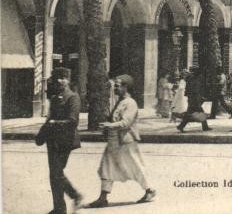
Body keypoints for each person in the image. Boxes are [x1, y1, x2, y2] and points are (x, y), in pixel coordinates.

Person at [89, 75, 156, 207]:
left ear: (126, 87)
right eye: (115, 85)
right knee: (106, 167)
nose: (115, 88)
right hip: (113, 140)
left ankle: (150, 190)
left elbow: (126, 122)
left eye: (118, 85)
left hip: (126, 141)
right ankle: (103, 198)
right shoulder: (119, 101)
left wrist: (109, 125)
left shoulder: (131, 103)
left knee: (135, 167)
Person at [40, 67, 83, 214]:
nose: (59, 80)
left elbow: (73, 121)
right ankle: (59, 207)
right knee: (54, 174)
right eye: (57, 77)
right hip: (52, 141)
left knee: (56, 173)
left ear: (68, 80)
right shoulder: (54, 98)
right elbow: (49, 118)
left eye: (63, 77)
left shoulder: (73, 97)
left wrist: (54, 124)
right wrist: (41, 134)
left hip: (65, 140)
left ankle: (74, 196)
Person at [177, 67, 211, 132]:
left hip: (192, 99)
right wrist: (199, 98)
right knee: (197, 113)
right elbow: (195, 90)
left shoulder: (190, 78)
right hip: (194, 99)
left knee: (192, 113)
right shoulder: (194, 79)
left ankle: (181, 126)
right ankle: (181, 126)